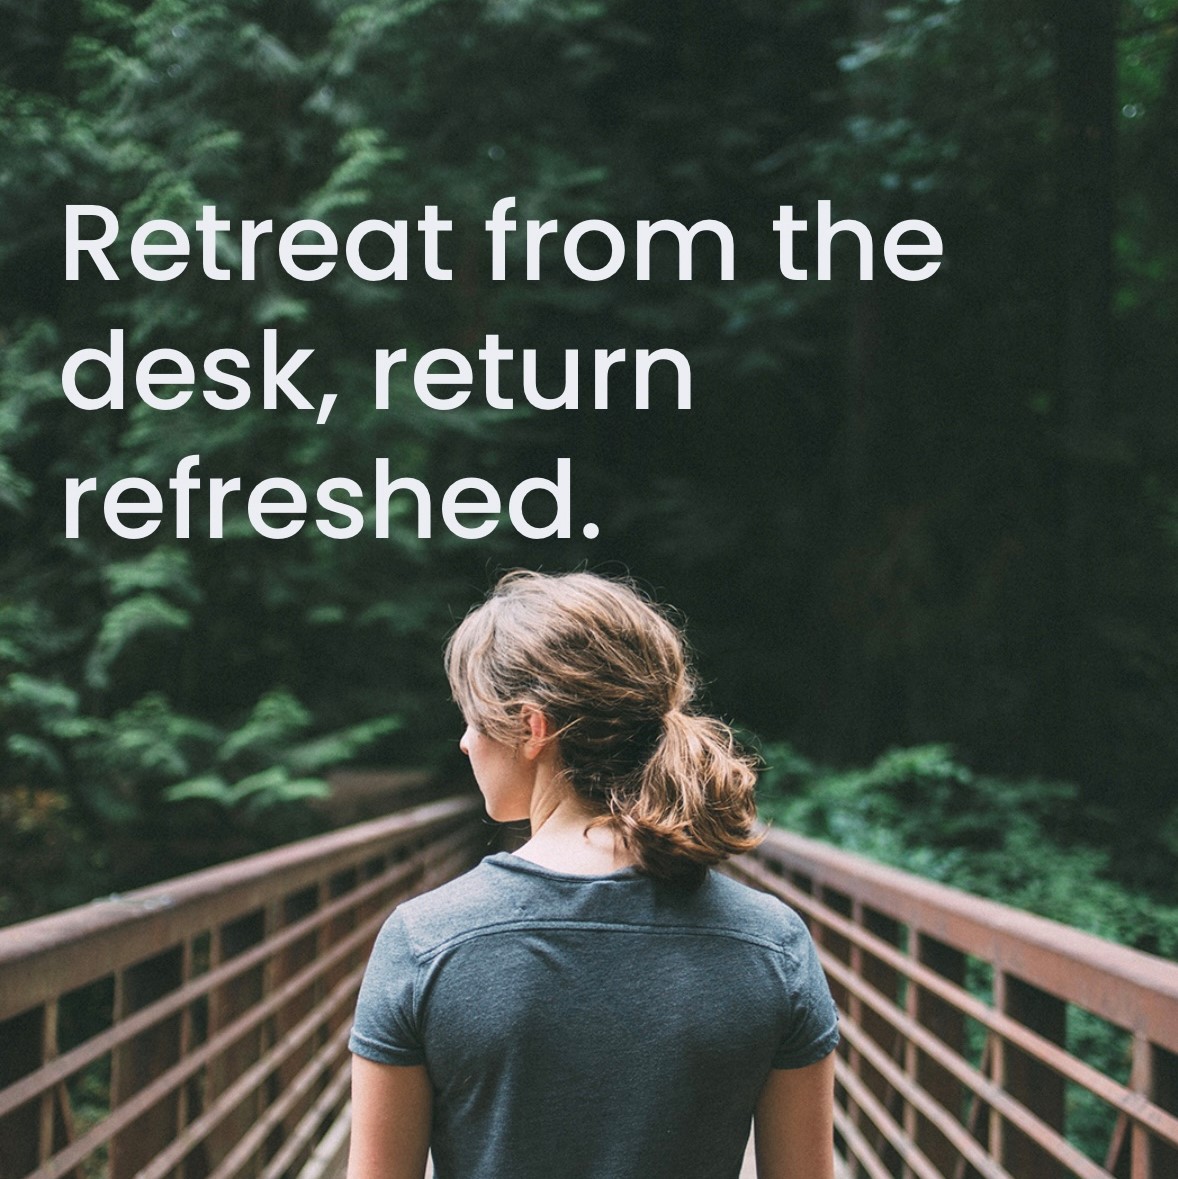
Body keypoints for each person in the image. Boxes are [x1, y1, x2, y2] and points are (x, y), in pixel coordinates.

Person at [347, 571, 839, 1179]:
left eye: (473, 718)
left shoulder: (425, 942)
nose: (465, 743)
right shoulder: (772, 945)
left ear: (532, 727)